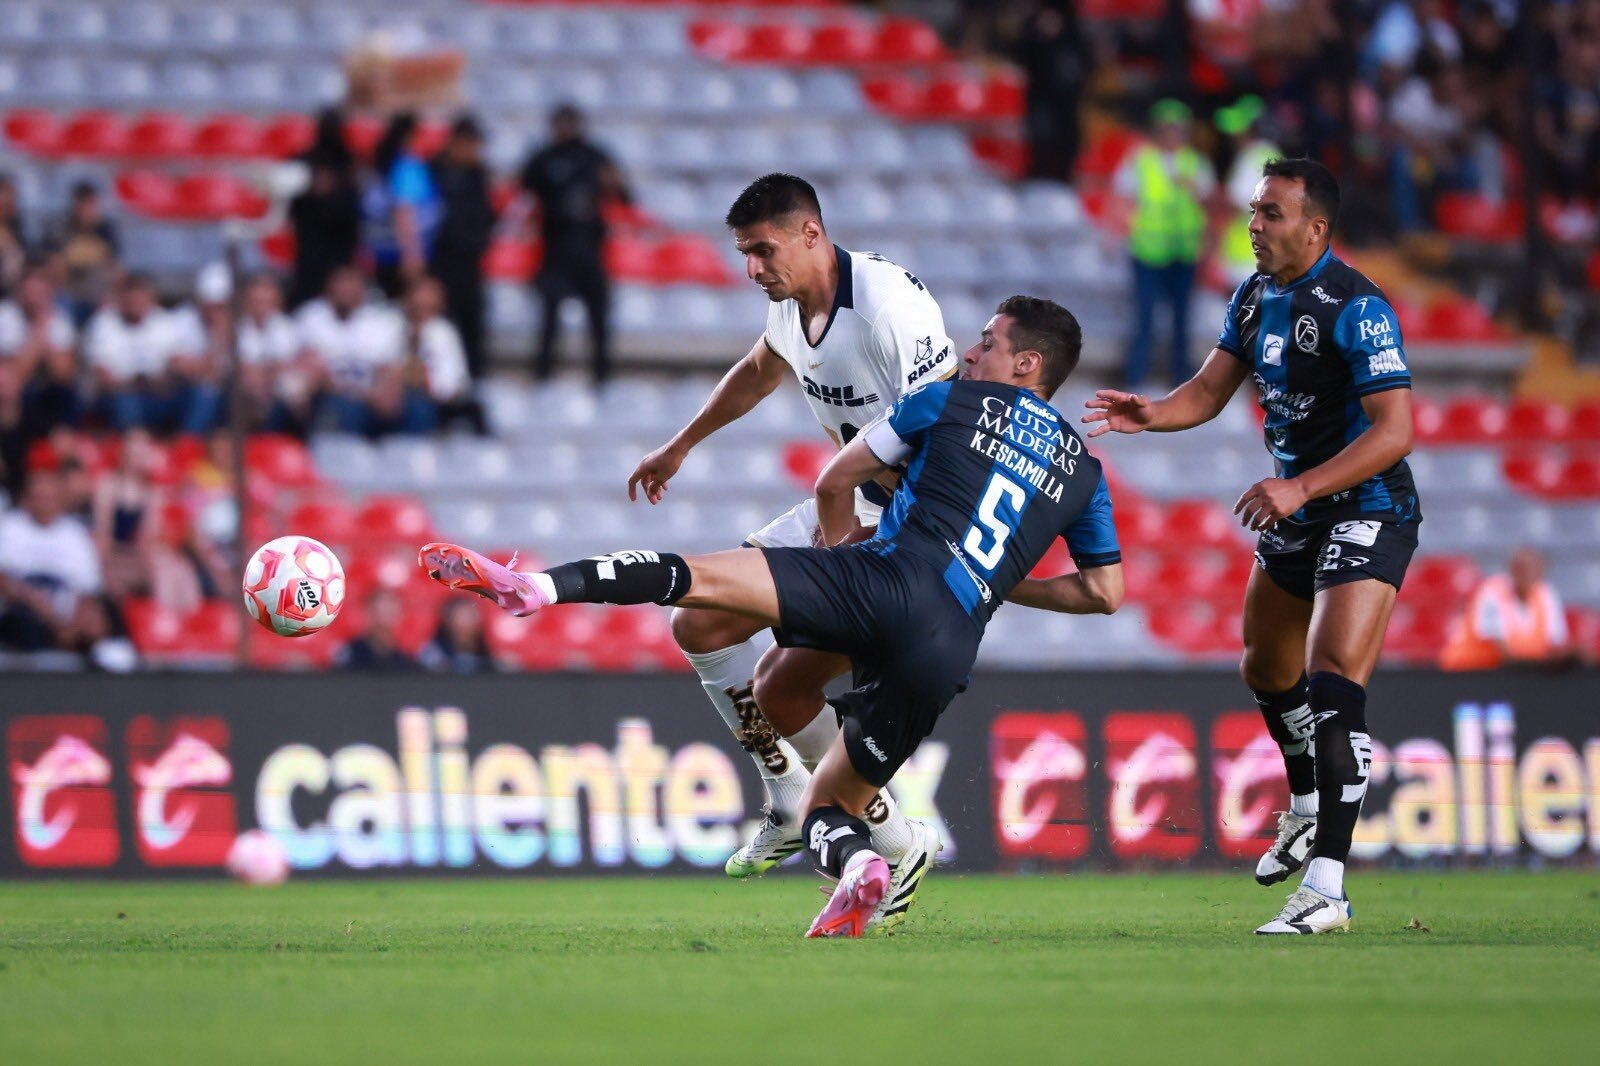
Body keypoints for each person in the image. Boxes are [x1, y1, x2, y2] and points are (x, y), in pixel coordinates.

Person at [421, 297, 1124, 936]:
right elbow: (1103, 595)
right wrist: (993, 582)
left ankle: (537, 588)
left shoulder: (946, 401)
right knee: (818, 782)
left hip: (879, 580)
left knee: (693, 582)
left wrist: (841, 555)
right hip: (949, 644)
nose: (970, 353)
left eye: (987, 344)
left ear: (1027, 363)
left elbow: (834, 479)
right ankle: (860, 865)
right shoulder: (1087, 474)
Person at [1084, 157, 1421, 936]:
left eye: (1271, 213)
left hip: (1366, 508)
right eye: (1253, 211)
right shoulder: (1254, 294)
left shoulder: (1357, 306)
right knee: (1265, 667)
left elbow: (1396, 430)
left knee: (1333, 682)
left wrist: (1301, 488)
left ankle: (1328, 890)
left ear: (1316, 227)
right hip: (1298, 514)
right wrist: (1152, 412)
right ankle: (1306, 803)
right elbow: (1207, 391)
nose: (1254, 225)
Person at [625, 173, 959, 928]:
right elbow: (758, 372)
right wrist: (681, 445)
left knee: (779, 683)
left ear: (811, 233)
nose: (753, 270)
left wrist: (880, 545)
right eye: (744, 254)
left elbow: (946, 419)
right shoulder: (790, 308)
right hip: (844, 502)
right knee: (699, 625)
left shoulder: (888, 308)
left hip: (912, 523)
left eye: (763, 250)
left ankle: (884, 831)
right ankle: (785, 796)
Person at [518, 104, 629, 385]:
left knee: (599, 318)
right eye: (561, 123)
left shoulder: (595, 157)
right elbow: (519, 190)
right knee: (549, 318)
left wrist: (615, 183)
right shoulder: (544, 158)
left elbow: (625, 197)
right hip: (555, 249)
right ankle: (543, 375)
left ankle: (602, 378)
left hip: (590, 249)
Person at [1112, 99, 1216, 389]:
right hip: (1148, 251)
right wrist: (1117, 236)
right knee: (1144, 317)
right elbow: (1122, 199)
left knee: (1183, 320)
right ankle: (1137, 376)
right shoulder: (1140, 161)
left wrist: (1207, 243)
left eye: (1178, 129)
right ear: (1157, 131)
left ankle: (1180, 379)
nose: (1173, 134)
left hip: (1184, 251)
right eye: (1167, 129)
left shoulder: (1196, 163)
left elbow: (1209, 205)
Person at [294, 265, 406, 437]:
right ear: (329, 286)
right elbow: (309, 372)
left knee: (415, 407)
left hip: (373, 398)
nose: (346, 288)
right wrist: (352, 393)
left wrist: (382, 394)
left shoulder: (382, 321)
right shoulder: (312, 317)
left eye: (351, 281)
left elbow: (391, 370)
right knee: (346, 407)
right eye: (341, 281)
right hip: (328, 397)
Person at [429, 114, 497, 380]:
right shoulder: (435, 171)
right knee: (441, 326)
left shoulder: (478, 175)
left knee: (472, 325)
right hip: (440, 262)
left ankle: (473, 380)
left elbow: (486, 216)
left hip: (470, 263)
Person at [1440, 548, 1574, 670]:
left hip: (1513, 676)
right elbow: (1504, 654)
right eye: (1521, 569)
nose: (1527, 575)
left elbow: (1556, 645)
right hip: (1468, 671)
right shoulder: (1492, 592)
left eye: (1533, 569)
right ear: (1511, 569)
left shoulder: (1546, 595)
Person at [82, 273, 185, 432]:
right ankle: (133, 448)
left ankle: (188, 444)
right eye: (130, 298)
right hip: (118, 394)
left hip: (158, 392)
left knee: (199, 394)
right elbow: (101, 374)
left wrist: (159, 382)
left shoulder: (165, 322)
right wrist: (130, 384)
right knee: (128, 403)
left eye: (140, 297)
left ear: (150, 298)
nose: (134, 303)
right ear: (121, 298)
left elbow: (176, 363)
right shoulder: (103, 323)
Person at [364, 112, 442, 299]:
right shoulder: (407, 167)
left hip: (385, 252)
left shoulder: (387, 165)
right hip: (404, 256)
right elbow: (402, 212)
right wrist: (412, 256)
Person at [289, 111, 362, 308]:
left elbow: (354, 206)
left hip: (340, 245)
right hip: (311, 245)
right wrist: (311, 188)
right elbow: (291, 203)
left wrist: (335, 190)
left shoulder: (348, 162)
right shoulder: (304, 161)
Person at [0, 264, 80, 438]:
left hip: (44, 390)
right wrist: (39, 333)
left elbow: (64, 373)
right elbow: (13, 375)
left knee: (66, 394)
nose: (33, 298)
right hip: (13, 392)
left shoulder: (59, 319)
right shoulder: (5, 315)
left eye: (38, 292)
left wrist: (39, 342)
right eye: (29, 292)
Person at [401, 275, 484, 435]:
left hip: (432, 406)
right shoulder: (392, 326)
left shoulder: (444, 333)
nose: (422, 303)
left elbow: (451, 386)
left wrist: (422, 379)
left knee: (419, 408)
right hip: (389, 400)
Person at [44, 181, 119, 325]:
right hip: (70, 294)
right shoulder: (60, 230)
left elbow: (116, 270)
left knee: (109, 312)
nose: (86, 210)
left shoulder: (106, 231)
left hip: (98, 296)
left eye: (91, 205)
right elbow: (55, 271)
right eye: (82, 205)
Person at [337, 587, 420, 671]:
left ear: (400, 616)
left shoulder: (405, 662)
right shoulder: (348, 655)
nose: (383, 623)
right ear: (368, 614)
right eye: (377, 614)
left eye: (389, 615)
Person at [420, 597, 495, 674]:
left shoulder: (489, 654)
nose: (465, 624)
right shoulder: (433, 653)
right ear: (448, 621)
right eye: (461, 617)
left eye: (470, 617)